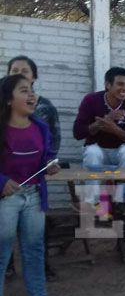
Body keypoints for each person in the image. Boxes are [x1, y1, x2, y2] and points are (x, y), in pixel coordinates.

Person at [0, 74, 73, 296]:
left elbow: (46, 159)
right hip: (6, 199)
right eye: (23, 91)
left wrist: (49, 167)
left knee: (34, 250)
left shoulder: (40, 127)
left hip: (33, 196)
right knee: (2, 253)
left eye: (32, 90)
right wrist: (1, 181)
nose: (31, 96)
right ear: (9, 99)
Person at [6, 55, 62, 281]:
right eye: (14, 70)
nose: (19, 73)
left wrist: (48, 163)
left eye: (25, 71)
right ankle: (7, 266)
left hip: (33, 183)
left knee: (35, 235)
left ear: (34, 77)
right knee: (4, 234)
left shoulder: (45, 107)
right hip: (4, 185)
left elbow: (54, 139)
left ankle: (42, 271)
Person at [73, 67, 125, 216]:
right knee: (92, 152)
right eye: (120, 84)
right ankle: (93, 202)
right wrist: (103, 122)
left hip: (119, 150)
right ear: (108, 85)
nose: (124, 89)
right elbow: (77, 133)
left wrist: (114, 129)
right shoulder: (91, 100)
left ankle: (121, 201)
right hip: (98, 149)